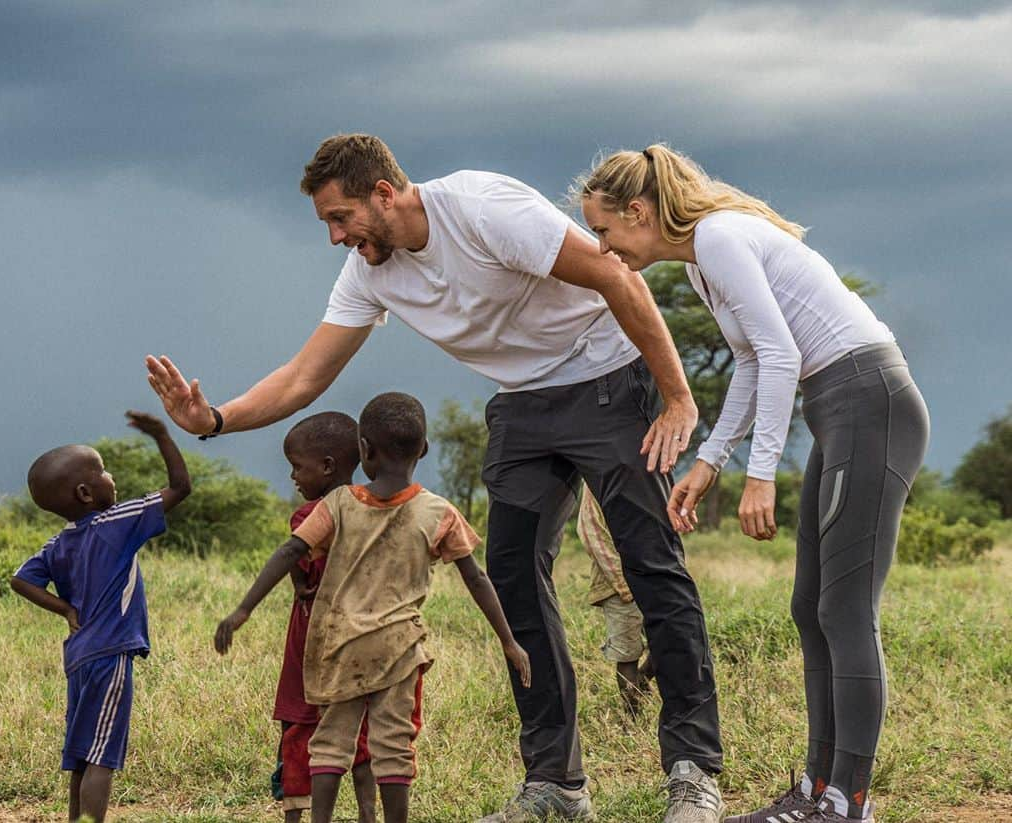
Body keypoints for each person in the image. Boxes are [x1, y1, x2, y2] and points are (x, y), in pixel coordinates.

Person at [147, 133, 725, 823]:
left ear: (384, 195)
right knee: (512, 578)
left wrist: (676, 395)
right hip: (521, 403)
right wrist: (211, 418)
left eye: (341, 218)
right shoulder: (369, 271)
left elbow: (616, 276)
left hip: (605, 379)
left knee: (652, 563)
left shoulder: (483, 208)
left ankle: (694, 773)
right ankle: (556, 785)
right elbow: (305, 377)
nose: (335, 237)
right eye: (328, 224)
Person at [576, 144, 930, 822]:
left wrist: (759, 475)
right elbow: (748, 360)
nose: (605, 247)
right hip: (842, 406)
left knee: (845, 610)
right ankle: (815, 789)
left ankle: (846, 802)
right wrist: (712, 459)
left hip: (868, 400)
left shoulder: (718, 236)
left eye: (605, 230)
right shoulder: (707, 260)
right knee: (811, 607)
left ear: (640, 212)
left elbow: (781, 352)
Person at [213, 392, 532, 823]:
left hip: (338, 646)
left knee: (329, 743)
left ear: (364, 451)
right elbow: (476, 578)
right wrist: (509, 641)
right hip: (399, 652)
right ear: (423, 449)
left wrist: (243, 610)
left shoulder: (337, 505)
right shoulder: (439, 512)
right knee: (393, 746)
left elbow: (291, 551)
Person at [10, 411, 191, 823]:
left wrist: (65, 609)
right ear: (86, 493)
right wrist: (162, 434)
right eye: (104, 471)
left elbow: (20, 579)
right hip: (109, 654)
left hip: (77, 656)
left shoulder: (58, 544)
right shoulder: (118, 521)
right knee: (103, 755)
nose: (111, 477)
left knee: (81, 754)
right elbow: (181, 487)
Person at [269, 413, 376, 823]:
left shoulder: (309, 515)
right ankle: (369, 813)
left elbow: (297, 559)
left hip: (312, 640)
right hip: (359, 637)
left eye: (298, 465)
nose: (294, 475)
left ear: (327, 466)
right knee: (362, 732)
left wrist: (297, 583)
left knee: (299, 727)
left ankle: (297, 816)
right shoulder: (373, 509)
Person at [574, 486, 650, 718]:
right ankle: (632, 719)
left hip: (652, 573)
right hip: (617, 581)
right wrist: (622, 583)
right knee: (627, 653)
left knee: (670, 638)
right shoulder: (596, 474)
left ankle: (641, 682)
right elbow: (590, 530)